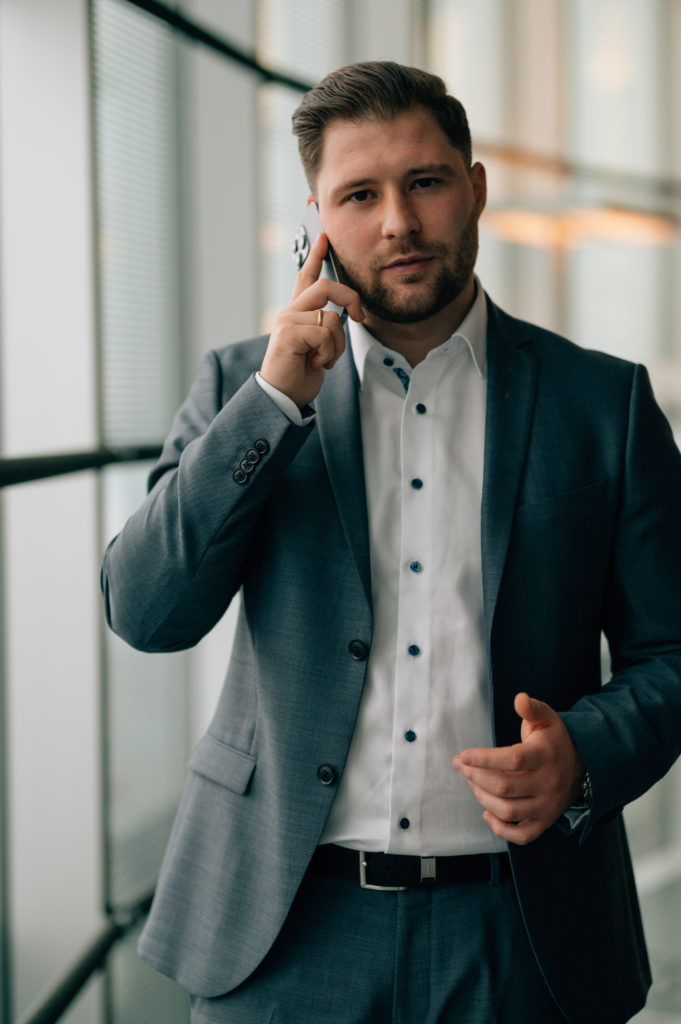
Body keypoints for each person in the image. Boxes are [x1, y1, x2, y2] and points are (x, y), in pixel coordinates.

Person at [100, 61, 681, 1024]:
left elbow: (671, 650)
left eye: (424, 182)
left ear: (475, 187)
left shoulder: (603, 404)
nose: (398, 224)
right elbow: (149, 613)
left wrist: (582, 754)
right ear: (316, 221)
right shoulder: (242, 389)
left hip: (521, 931)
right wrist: (273, 403)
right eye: (359, 196)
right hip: (282, 929)